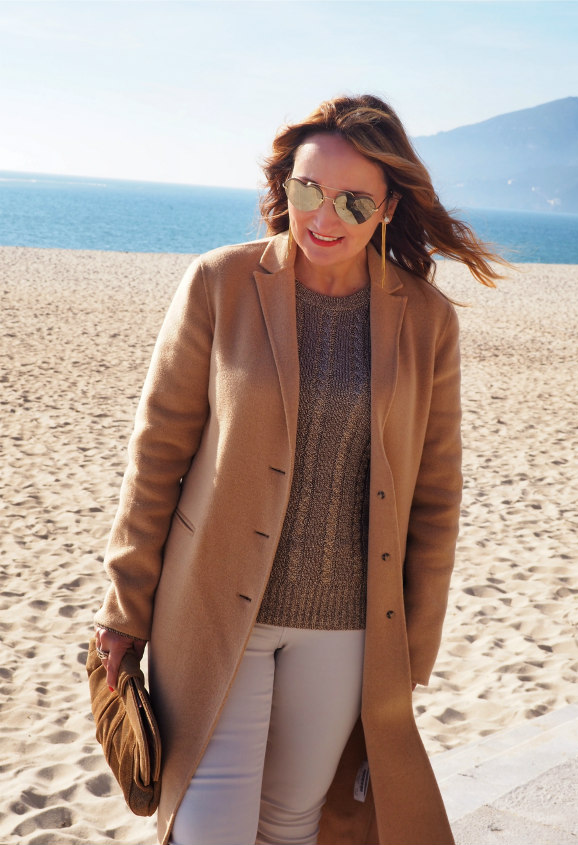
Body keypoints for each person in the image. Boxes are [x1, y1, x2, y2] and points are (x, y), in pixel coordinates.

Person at [93, 93, 503, 845]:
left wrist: (412, 645)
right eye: (308, 189)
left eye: (354, 201)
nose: (325, 217)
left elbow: (435, 493)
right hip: (214, 615)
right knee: (208, 830)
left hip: (348, 628)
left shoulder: (426, 320)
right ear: (284, 185)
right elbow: (156, 457)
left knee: (292, 826)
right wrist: (123, 610)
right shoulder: (218, 282)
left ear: (387, 209)